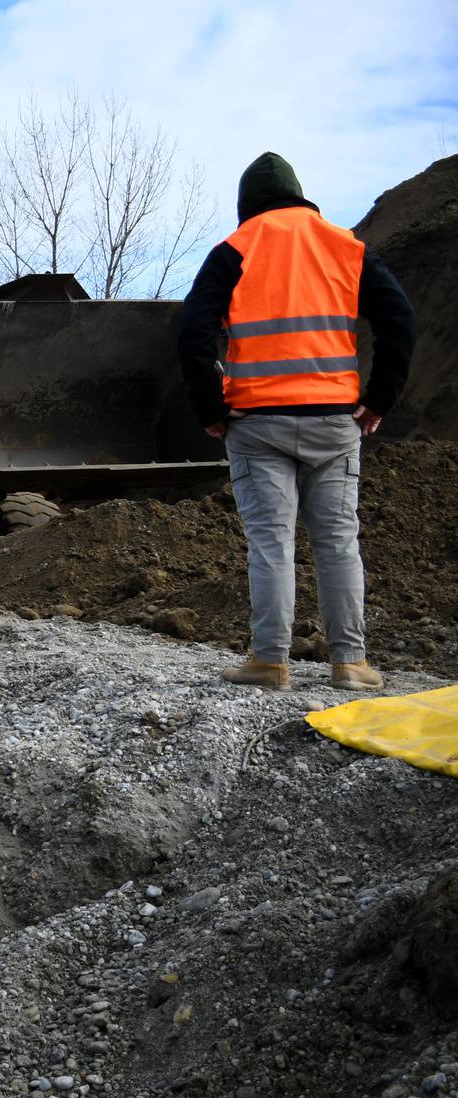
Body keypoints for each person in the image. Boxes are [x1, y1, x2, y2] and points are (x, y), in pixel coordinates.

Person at [178, 152, 417, 693]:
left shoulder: (234, 250)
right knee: (337, 543)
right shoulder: (347, 248)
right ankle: (350, 664)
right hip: (335, 423)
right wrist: (378, 400)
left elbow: (192, 333)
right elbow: (400, 321)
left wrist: (211, 410)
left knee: (271, 544)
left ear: (247, 205)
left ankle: (270, 663)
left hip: (257, 425)